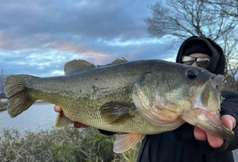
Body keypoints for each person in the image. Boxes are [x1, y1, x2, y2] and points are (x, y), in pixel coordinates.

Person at [54, 36, 238, 162]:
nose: (195, 64)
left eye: (204, 62)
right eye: (188, 60)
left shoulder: (226, 99)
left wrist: (229, 126)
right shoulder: (152, 97)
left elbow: (234, 115)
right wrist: (96, 121)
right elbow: (115, 120)